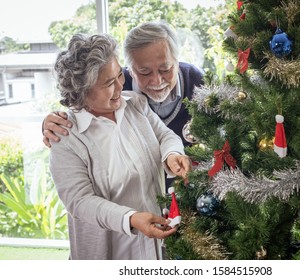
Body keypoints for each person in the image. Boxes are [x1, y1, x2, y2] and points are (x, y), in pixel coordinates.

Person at [49, 33, 191, 260]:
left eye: (119, 76)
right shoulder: (65, 137)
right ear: (82, 90)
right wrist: (131, 219)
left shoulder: (135, 104)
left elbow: (165, 136)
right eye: (108, 83)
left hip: (155, 249)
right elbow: (80, 202)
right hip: (114, 254)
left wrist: (172, 154)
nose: (119, 86)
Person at [42, 21, 204, 147]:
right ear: (129, 70)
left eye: (165, 69)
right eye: (144, 72)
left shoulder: (196, 81)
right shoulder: (115, 86)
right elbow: (81, 112)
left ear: (177, 61)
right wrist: (50, 124)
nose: (157, 81)